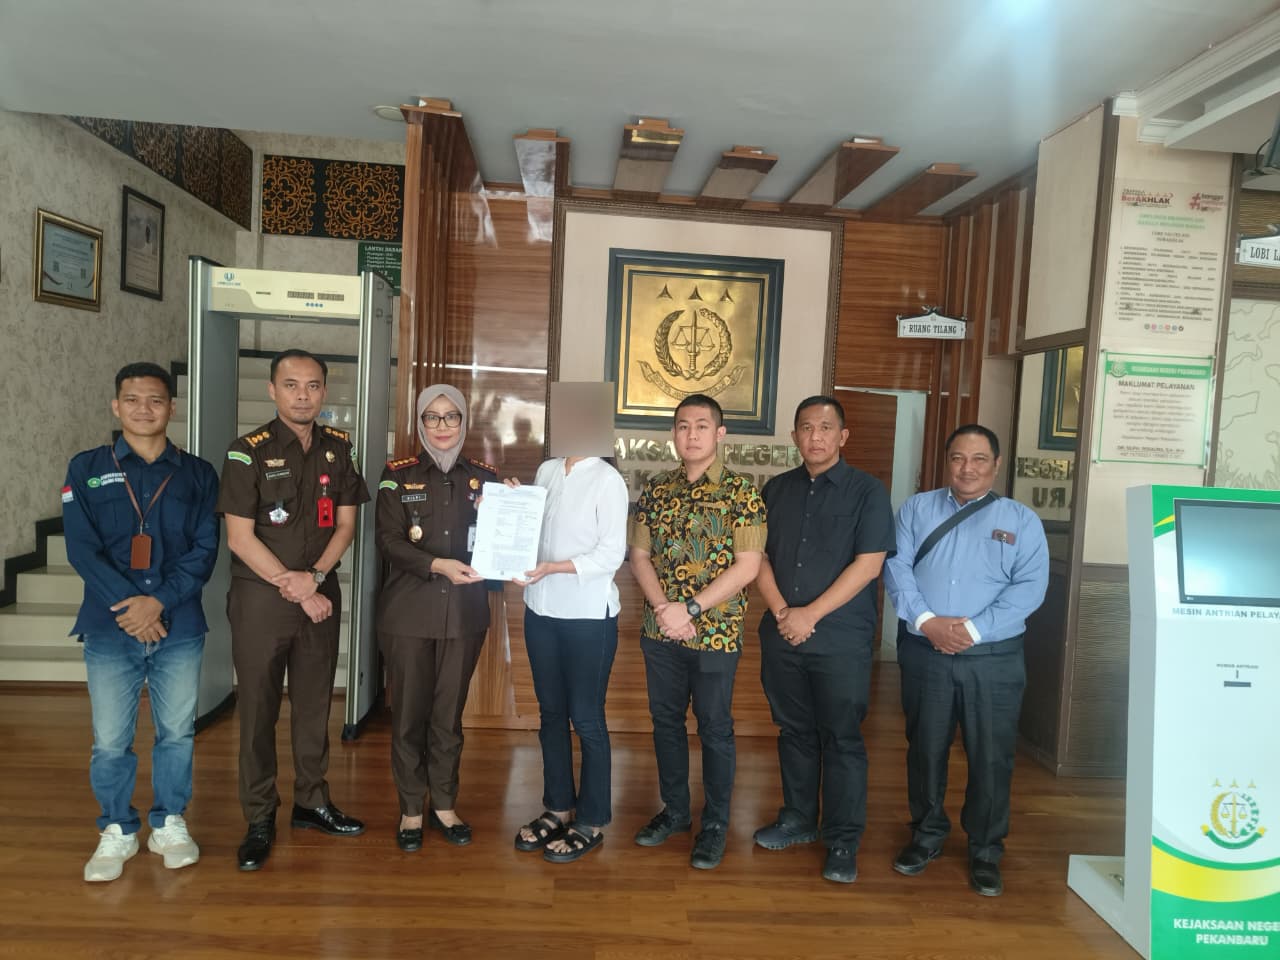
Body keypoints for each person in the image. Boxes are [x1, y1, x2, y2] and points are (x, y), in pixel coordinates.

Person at [63, 362, 219, 882]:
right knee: (110, 739)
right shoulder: (86, 468)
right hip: (110, 626)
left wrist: (159, 603)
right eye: (132, 400)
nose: (143, 409)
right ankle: (117, 828)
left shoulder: (198, 473)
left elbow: (204, 550)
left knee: (177, 733)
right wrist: (133, 606)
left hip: (180, 625)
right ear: (116, 406)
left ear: (172, 407)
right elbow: (82, 549)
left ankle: (169, 821)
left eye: (155, 400)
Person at [217, 348, 371, 871]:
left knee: (313, 704)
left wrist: (317, 579)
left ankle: (312, 801)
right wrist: (300, 588)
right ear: (272, 390)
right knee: (258, 709)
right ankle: (260, 815)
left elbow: (346, 525)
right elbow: (239, 538)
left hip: (320, 593)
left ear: (324, 391)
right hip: (263, 600)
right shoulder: (247, 453)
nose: (303, 395)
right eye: (291, 385)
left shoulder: (338, 449)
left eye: (312, 386)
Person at [882, 424, 1049, 897]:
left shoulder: (1021, 520)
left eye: (978, 459)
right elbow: (896, 567)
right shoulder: (916, 509)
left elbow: (1030, 587)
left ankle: (986, 850)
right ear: (947, 462)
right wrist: (927, 621)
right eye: (958, 458)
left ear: (996, 465)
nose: (967, 468)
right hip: (925, 650)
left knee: (991, 754)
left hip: (993, 656)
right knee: (925, 747)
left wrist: (972, 630)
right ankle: (926, 833)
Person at [753, 396, 895, 884]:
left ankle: (842, 838)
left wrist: (809, 615)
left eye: (825, 428)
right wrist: (782, 614)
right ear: (794, 435)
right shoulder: (776, 489)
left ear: (843, 436)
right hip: (783, 636)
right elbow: (759, 558)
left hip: (840, 640)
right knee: (794, 730)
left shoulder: (867, 492)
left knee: (841, 737)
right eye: (806, 428)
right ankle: (797, 818)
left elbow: (869, 565)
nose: (815, 436)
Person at [628, 393, 766, 870]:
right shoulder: (656, 489)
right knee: (666, 723)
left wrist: (688, 607)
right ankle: (675, 811)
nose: (691, 434)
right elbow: (639, 557)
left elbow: (748, 566)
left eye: (702, 426)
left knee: (715, 728)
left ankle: (716, 825)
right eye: (683, 426)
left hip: (716, 634)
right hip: (660, 632)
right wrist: (664, 609)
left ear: (720, 433)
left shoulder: (742, 492)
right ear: (673, 433)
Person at [374, 384, 496, 853]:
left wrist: (505, 510)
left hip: (464, 617)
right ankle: (410, 807)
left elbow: (500, 544)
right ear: (420, 423)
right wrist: (437, 564)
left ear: (464, 422)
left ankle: (444, 804)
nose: (442, 426)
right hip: (408, 615)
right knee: (408, 716)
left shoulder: (485, 479)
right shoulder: (396, 475)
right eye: (432, 416)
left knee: (447, 718)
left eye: (451, 417)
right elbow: (389, 541)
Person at [511, 452, 628, 863]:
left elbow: (611, 554)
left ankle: (591, 820)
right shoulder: (547, 470)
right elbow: (536, 532)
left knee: (587, 718)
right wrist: (514, 505)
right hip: (540, 610)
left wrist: (554, 567)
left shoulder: (608, 480)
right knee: (551, 714)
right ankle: (558, 807)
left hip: (587, 616)